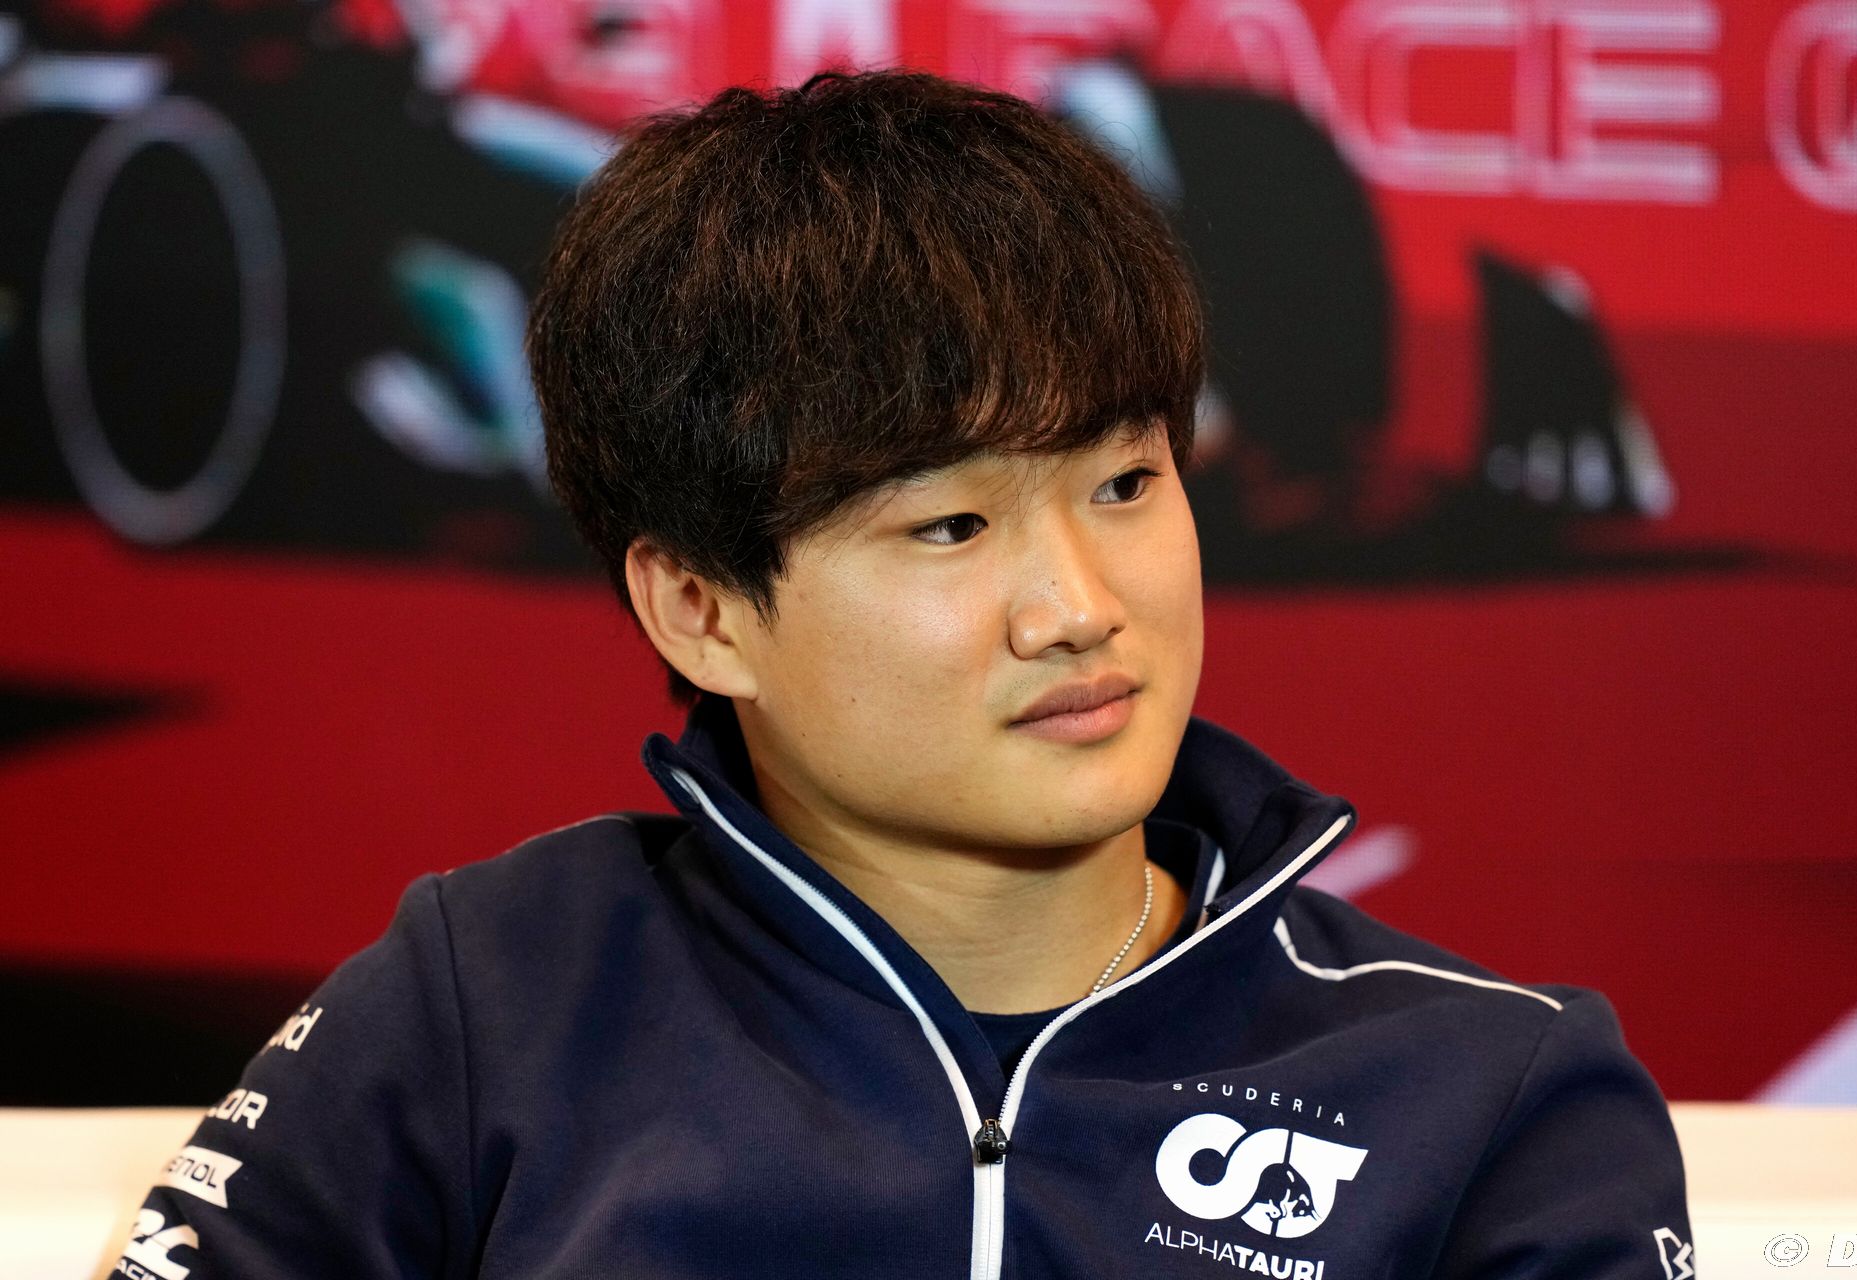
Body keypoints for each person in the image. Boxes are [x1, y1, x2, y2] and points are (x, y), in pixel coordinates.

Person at [113, 68, 1693, 1279]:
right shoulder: (482, 1006)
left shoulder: (1493, 1091)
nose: (1079, 609)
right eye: (950, 526)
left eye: (1126, 484)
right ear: (701, 610)